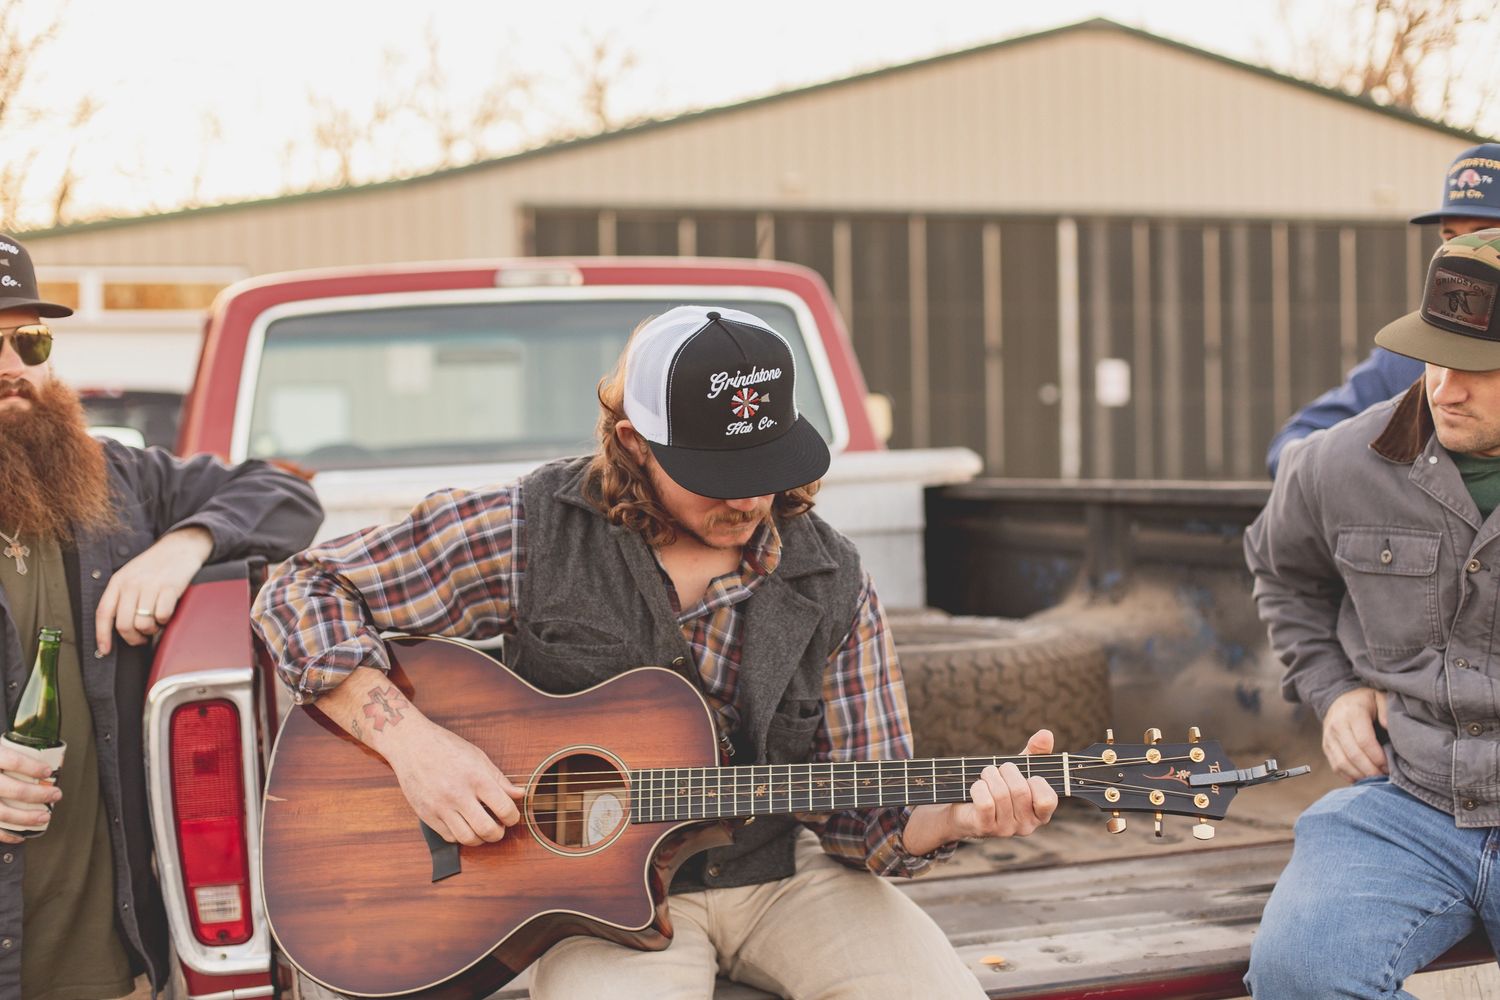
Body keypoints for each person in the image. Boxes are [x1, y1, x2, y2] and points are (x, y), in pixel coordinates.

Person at [252, 305, 1058, 998]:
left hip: (780, 877)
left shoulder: (834, 579)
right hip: (590, 896)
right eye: (715, 472)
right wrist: (414, 745)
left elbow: (868, 826)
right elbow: (300, 591)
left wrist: (959, 814)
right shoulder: (531, 530)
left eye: (767, 467)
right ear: (635, 443)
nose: (748, 498)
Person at [0, 234, 324, 1000]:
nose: (12, 366)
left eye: (29, 339)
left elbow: (285, 495)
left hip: (110, 970)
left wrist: (187, 542)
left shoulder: (117, 480)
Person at [1243, 230, 1500, 997]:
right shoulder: (1333, 463)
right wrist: (1331, 688)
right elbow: (1281, 572)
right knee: (1300, 975)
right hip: (1409, 800)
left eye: (1479, 369)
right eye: (1434, 357)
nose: (1444, 389)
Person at [1265, 141, 1500, 477]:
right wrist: (1380, 490)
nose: (1462, 252)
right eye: (1450, 237)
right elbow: (1294, 446)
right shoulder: (1412, 356)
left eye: (1485, 234)